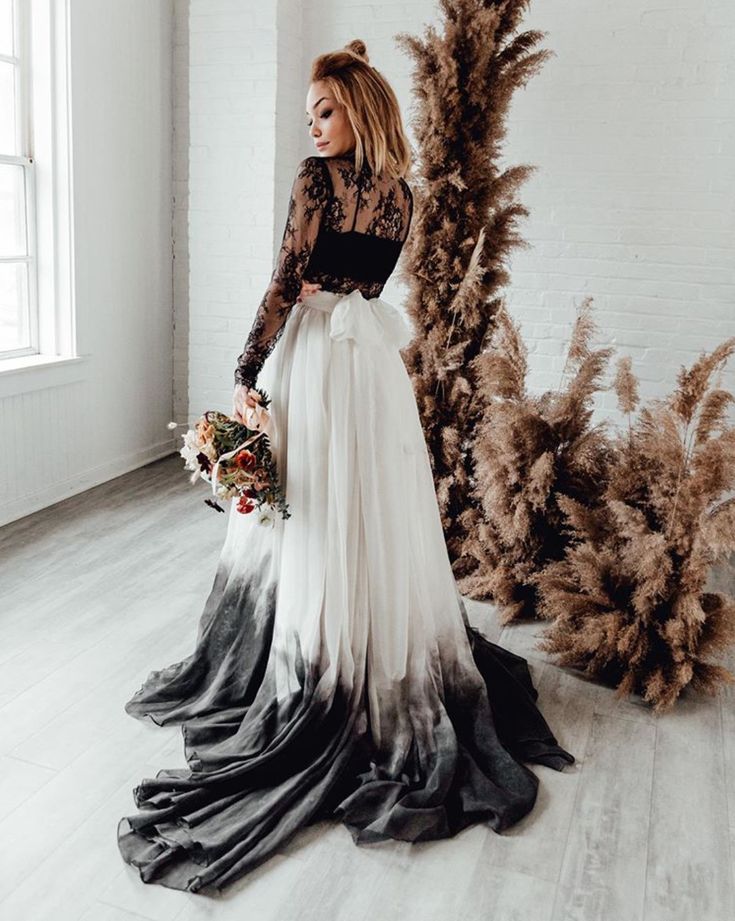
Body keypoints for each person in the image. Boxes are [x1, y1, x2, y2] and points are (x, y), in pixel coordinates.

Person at [117, 39, 575, 895]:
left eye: (324, 110)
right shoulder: (399, 195)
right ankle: (357, 639)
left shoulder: (315, 182)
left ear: (358, 108)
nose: (313, 126)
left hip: (320, 361)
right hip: (367, 370)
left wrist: (246, 365)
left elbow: (288, 277)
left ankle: (313, 658)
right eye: (307, 116)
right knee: (359, 507)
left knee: (314, 506)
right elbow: (368, 281)